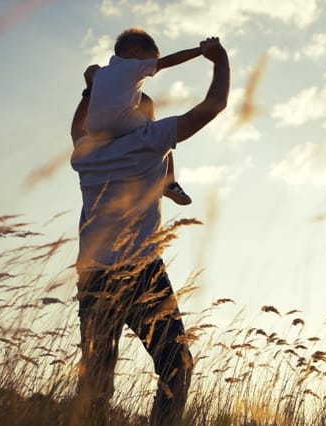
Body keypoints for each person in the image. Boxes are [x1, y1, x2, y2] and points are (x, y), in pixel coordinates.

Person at [68, 36, 230, 425]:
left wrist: (92, 88)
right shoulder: (148, 140)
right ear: (138, 115)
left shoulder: (83, 152)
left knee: (96, 384)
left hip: (92, 278)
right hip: (141, 272)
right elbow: (214, 105)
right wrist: (220, 60)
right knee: (177, 366)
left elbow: (79, 123)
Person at [84, 28, 205, 206]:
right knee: (160, 131)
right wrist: (201, 50)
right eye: (151, 60)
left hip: (92, 128)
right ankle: (168, 182)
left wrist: (91, 91)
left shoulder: (100, 72)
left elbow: (88, 72)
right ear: (136, 52)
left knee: (146, 101)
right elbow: (170, 60)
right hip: (119, 120)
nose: (151, 67)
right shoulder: (133, 65)